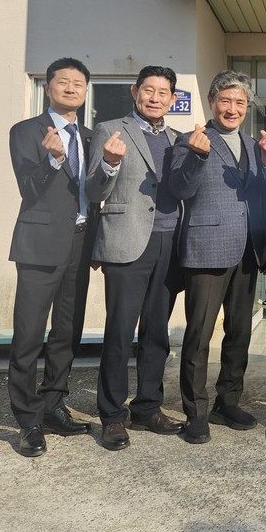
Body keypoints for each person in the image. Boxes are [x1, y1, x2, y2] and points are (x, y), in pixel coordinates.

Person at [169, 71, 266, 444]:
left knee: (240, 332)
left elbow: (260, 197)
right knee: (199, 334)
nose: (233, 109)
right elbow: (180, 188)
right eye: (226, 101)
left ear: (247, 107)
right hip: (206, 249)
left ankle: (227, 401)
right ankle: (196, 411)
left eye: (240, 102)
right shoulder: (190, 140)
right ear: (212, 102)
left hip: (248, 249)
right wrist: (197, 156)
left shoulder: (253, 145)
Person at [86, 66, 185, 451]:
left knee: (157, 333)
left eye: (163, 92)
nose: (155, 98)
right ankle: (112, 415)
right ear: (135, 91)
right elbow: (94, 191)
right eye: (149, 90)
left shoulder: (178, 139)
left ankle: (148, 407)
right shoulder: (111, 130)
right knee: (119, 332)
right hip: (126, 242)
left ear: (172, 99)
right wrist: (109, 163)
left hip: (169, 243)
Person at [7, 58, 96, 457]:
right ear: (48, 88)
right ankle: (28, 420)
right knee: (28, 334)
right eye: (64, 82)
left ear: (85, 90)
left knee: (66, 332)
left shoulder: (90, 136)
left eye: (79, 83)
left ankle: (53, 405)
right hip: (40, 244)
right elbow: (28, 188)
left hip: (81, 243)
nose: (71, 88)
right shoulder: (26, 131)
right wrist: (53, 160)